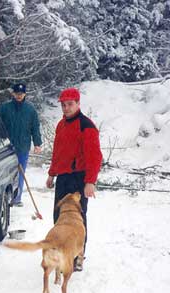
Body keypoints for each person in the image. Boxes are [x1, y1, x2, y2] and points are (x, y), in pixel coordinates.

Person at [46, 87, 103, 271]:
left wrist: (90, 181)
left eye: (70, 104)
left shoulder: (86, 126)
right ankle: (60, 253)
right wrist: (52, 173)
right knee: (59, 217)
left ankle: (78, 257)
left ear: (78, 104)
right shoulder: (61, 125)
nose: (66, 108)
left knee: (77, 220)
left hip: (79, 179)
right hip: (63, 177)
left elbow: (95, 156)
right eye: (63, 105)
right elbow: (58, 153)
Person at [0, 83, 42, 207]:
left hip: (23, 146)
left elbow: (35, 127)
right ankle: (5, 197)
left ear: (25, 94)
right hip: (7, 147)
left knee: (20, 173)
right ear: (13, 94)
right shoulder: (5, 108)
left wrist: (37, 143)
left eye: (21, 94)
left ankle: (17, 198)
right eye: (17, 93)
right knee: (6, 172)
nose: (19, 96)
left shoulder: (30, 109)